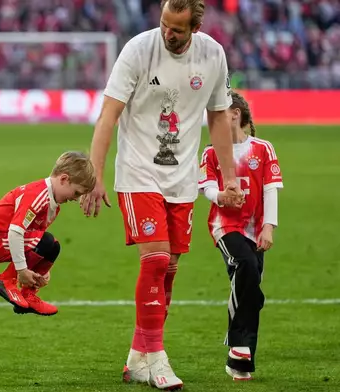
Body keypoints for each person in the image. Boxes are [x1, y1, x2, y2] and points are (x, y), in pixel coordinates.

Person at [80, 0, 245, 389]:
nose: (168, 34)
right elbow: (108, 114)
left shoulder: (213, 55)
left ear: (195, 28)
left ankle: (137, 358)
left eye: (177, 29)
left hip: (182, 178)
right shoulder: (139, 49)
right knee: (154, 261)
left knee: (169, 269)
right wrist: (94, 174)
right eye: (164, 25)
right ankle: (157, 358)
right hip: (138, 173)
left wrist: (231, 177)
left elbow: (219, 116)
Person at [198, 91, 283, 381]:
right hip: (224, 225)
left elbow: (271, 188)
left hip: (255, 228)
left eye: (218, 113)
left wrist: (269, 226)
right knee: (246, 267)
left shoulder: (263, 148)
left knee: (250, 290)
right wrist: (221, 196)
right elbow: (206, 186)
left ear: (235, 113)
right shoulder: (211, 152)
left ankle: (240, 363)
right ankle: (237, 341)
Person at [0, 151, 96, 316]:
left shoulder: (53, 206)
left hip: (6, 238)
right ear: (64, 179)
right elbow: (15, 233)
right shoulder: (38, 195)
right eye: (76, 193)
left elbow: (35, 242)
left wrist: (43, 270)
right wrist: (22, 270)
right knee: (46, 241)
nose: (75, 199)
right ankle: (5, 280)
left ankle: (28, 295)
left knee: (53, 246)